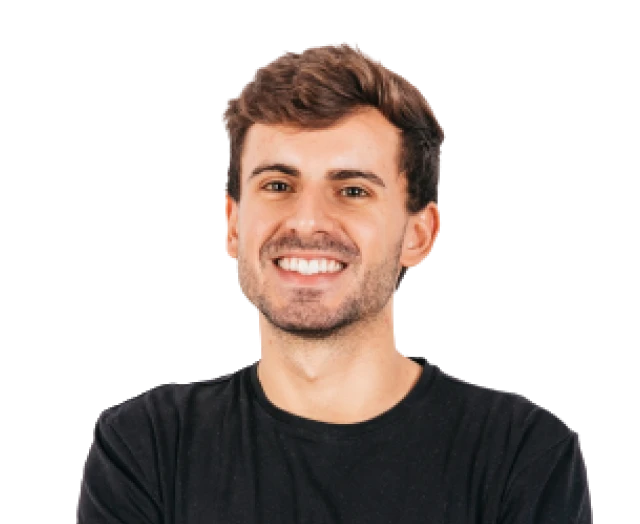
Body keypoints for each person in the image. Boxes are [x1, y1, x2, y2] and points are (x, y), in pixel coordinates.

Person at [76, 42, 590, 523]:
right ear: (232, 225)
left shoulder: (519, 455)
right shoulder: (148, 449)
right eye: (278, 184)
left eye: (352, 190)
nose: (307, 221)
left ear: (419, 235)